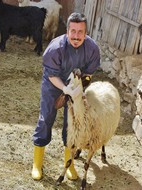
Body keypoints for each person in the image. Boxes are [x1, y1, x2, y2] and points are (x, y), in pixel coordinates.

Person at [32, 12, 101, 180]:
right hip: (54, 85)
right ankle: (37, 164)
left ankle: (68, 164)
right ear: (67, 31)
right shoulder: (55, 48)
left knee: (72, 123)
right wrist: (65, 89)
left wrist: (80, 89)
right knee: (46, 118)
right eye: (73, 31)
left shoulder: (92, 49)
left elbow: (88, 74)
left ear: (86, 33)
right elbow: (52, 75)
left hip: (76, 87)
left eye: (80, 32)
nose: (76, 36)